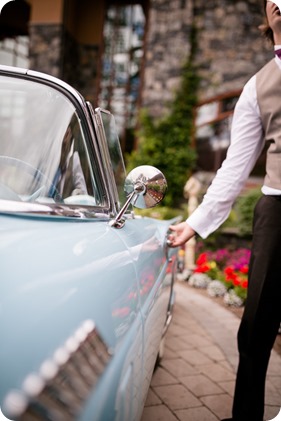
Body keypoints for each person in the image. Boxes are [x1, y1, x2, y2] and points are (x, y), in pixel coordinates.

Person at [168, 1, 281, 420]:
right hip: (277, 210)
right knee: (255, 328)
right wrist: (194, 225)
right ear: (267, 16)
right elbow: (234, 168)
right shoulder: (256, 87)